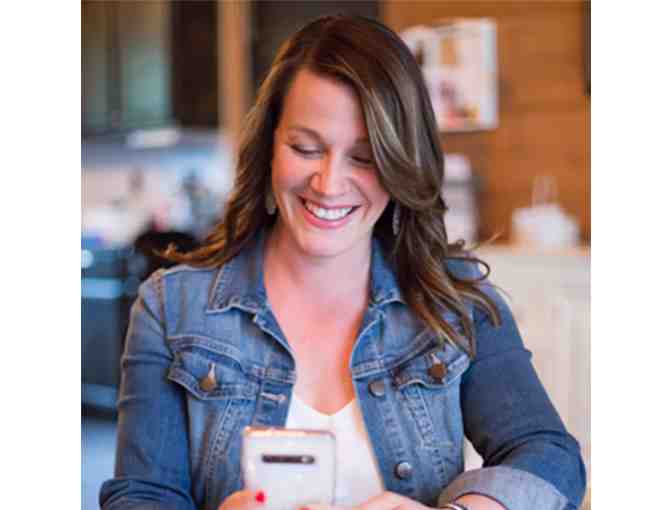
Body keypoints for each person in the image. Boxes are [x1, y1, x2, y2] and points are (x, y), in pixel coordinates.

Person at [100, 14, 586, 510]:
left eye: (364, 157)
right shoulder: (171, 308)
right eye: (305, 148)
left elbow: (551, 456)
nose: (329, 185)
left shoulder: (456, 299)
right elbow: (141, 496)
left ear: (401, 163)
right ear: (269, 148)